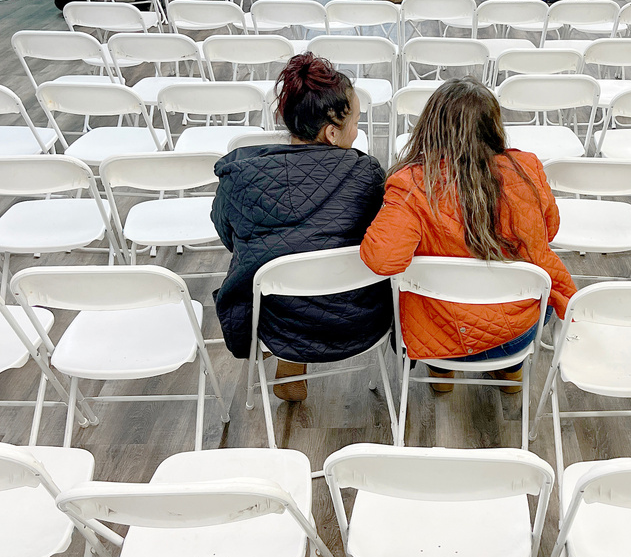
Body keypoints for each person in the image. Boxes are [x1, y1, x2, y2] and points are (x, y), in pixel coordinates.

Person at [360, 76, 577, 394]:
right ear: (493, 126)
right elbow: (550, 230)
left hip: (439, 335)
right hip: (516, 333)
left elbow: (382, 261)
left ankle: (442, 372)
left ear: (430, 126)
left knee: (416, 295)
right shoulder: (526, 168)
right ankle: (510, 371)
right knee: (535, 289)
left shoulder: (411, 184)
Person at [212, 53, 391, 403]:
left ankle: (290, 358)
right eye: (356, 121)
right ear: (332, 132)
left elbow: (228, 235)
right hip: (357, 318)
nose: (357, 130)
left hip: (278, 320)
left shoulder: (240, 175)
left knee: (274, 262)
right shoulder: (367, 173)